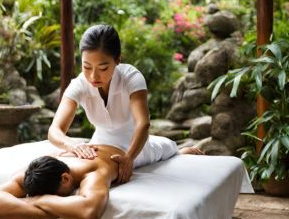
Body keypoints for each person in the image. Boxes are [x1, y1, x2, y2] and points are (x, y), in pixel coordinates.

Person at [48, 24, 202, 183]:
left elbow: (143, 124)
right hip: (100, 140)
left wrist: (129, 158)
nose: (93, 76)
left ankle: (181, 153)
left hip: (135, 145)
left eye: (103, 67)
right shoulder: (79, 84)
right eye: (86, 67)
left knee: (165, 150)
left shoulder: (131, 77)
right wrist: (72, 145)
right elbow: (55, 130)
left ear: (118, 60)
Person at [0, 139, 200, 219]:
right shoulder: (35, 171)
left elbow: (88, 213)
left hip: (134, 150)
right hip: (93, 142)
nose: (42, 199)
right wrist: (45, 202)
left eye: (55, 195)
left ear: (66, 178)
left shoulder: (94, 173)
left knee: (169, 150)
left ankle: (184, 150)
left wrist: (42, 200)